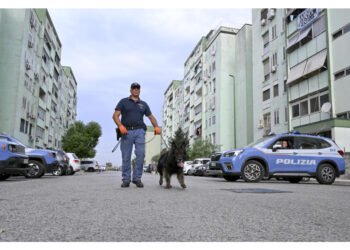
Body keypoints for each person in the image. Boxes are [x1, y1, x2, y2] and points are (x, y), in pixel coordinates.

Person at [113, 82, 161, 188]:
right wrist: (120, 126)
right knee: (126, 156)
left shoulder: (144, 104)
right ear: (130, 90)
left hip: (140, 131)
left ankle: (137, 178)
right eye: (134, 88)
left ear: (139, 90)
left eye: (137, 88)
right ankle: (126, 179)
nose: (136, 90)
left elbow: (151, 117)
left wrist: (156, 126)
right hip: (126, 131)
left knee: (141, 154)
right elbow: (115, 115)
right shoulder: (123, 102)